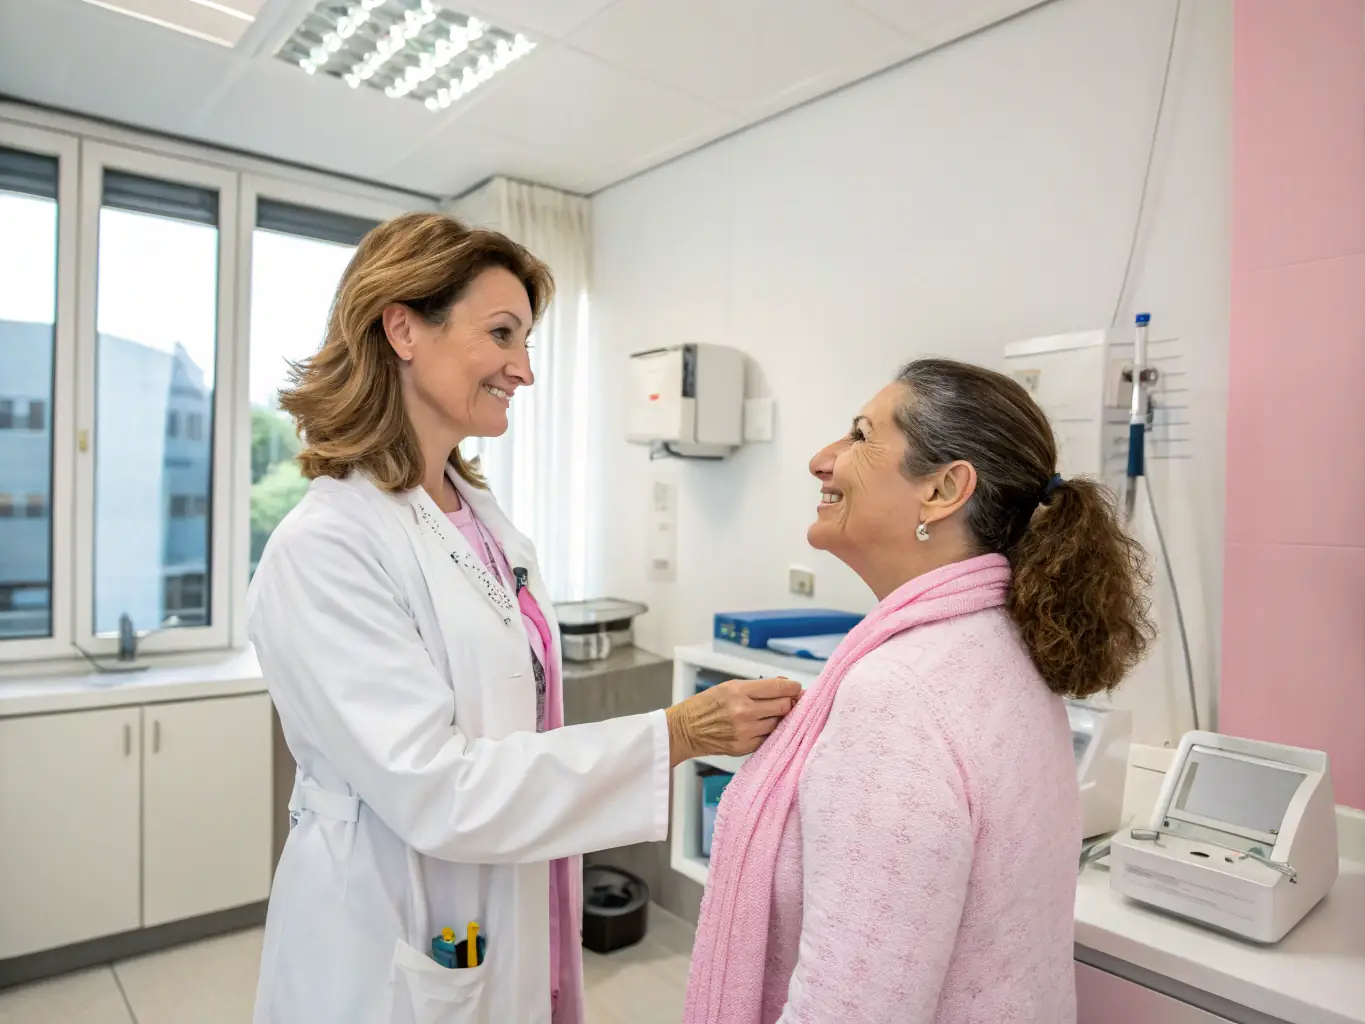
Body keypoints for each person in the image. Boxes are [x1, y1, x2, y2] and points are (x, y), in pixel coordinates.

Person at [246, 212, 800, 1024]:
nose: (524, 371)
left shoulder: (478, 515)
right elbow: (438, 790)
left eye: (529, 340)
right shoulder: (327, 545)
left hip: (504, 886)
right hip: (390, 909)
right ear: (403, 327)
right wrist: (676, 735)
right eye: (502, 334)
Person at [685, 358, 1155, 1024]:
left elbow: (849, 1009)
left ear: (941, 489)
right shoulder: (1000, 644)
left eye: (858, 434)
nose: (822, 459)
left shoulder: (898, 694)